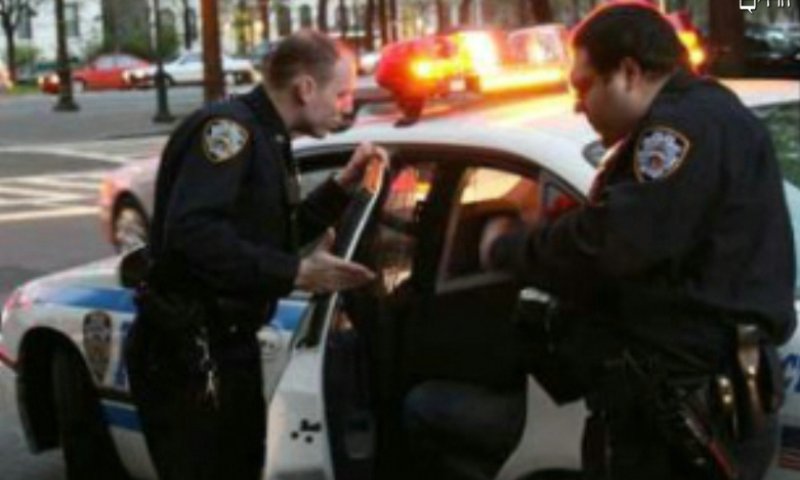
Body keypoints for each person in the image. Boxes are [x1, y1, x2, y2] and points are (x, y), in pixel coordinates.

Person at [480, 3, 796, 480]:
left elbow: (613, 243)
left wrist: (507, 247)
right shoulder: (710, 115)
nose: (577, 105)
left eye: (584, 86)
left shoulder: (680, 131)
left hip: (685, 408)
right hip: (700, 396)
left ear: (628, 72)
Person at [124, 31, 387, 480]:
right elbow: (194, 234)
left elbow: (268, 237)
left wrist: (342, 186)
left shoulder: (267, 137)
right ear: (305, 89)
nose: (347, 106)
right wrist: (298, 273)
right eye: (340, 93)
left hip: (222, 347)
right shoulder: (230, 132)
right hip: (189, 353)